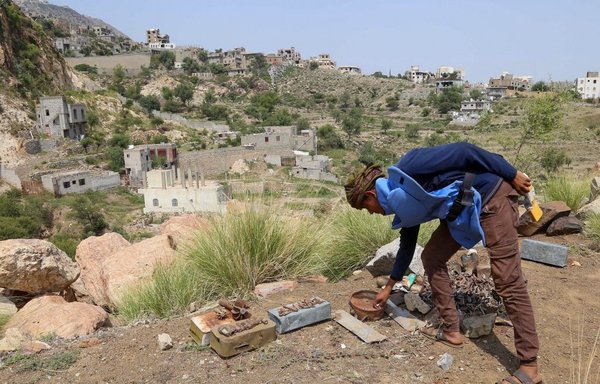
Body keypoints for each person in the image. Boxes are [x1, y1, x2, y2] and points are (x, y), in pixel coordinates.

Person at [344, 142, 542, 384]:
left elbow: (464, 151)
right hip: (462, 207)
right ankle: (451, 330)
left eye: (365, 207)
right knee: (431, 258)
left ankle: (529, 366)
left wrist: (512, 174)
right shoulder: (403, 199)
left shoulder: (410, 167)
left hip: (492, 198)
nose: (370, 212)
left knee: (507, 280)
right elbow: (407, 245)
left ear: (371, 195)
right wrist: (388, 288)